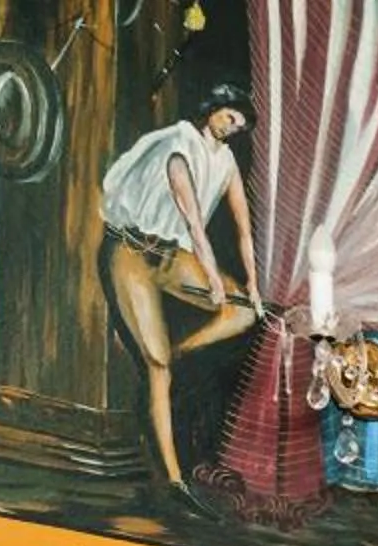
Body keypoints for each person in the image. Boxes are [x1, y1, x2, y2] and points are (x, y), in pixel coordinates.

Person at [96, 82, 261, 500]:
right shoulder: (177, 146)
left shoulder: (224, 162)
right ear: (213, 109)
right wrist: (209, 274)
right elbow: (193, 223)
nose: (233, 128)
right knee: (156, 366)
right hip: (131, 253)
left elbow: (243, 229)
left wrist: (254, 286)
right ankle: (173, 479)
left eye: (240, 125)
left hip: (169, 255)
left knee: (245, 311)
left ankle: (183, 353)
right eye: (230, 117)